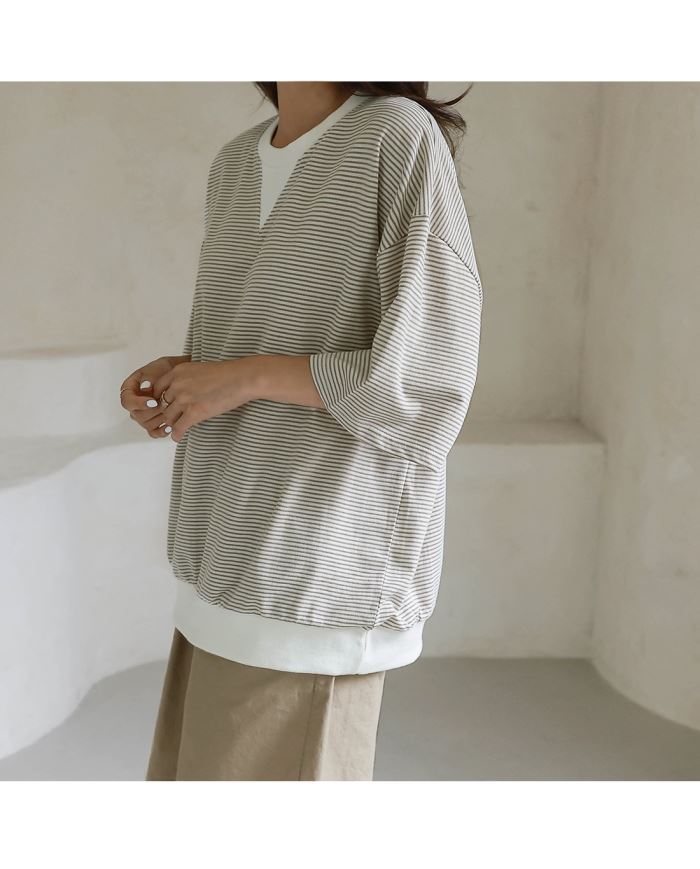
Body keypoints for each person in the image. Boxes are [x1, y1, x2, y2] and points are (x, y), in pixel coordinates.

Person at [119, 81, 483, 781]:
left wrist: (248, 377)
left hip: (318, 562)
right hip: (221, 552)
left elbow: (432, 369)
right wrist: (189, 378)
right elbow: (257, 335)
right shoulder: (235, 163)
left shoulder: (396, 135)